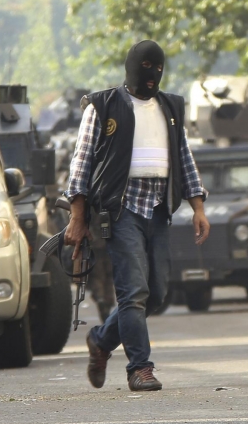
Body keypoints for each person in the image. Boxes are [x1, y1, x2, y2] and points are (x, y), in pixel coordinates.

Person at [64, 40, 210, 392]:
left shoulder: (170, 107)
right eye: (146, 66)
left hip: (159, 207)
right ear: (132, 67)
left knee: (156, 293)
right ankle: (139, 368)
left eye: (158, 68)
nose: (153, 74)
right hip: (121, 208)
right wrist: (77, 217)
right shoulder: (103, 105)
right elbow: (81, 163)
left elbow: (184, 158)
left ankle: (101, 340)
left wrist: (198, 207)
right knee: (133, 292)